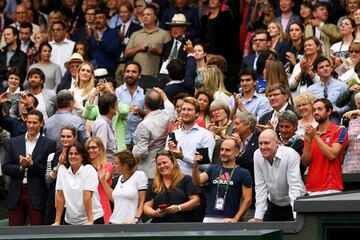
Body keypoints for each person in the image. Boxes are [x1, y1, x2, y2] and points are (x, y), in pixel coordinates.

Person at [2, 110, 56, 225]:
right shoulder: (14, 142)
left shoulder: (49, 144)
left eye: (35, 123)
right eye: (29, 122)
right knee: (14, 233)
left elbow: (49, 172)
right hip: (16, 192)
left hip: (37, 194)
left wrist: (32, 165)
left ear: (42, 123)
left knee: (38, 233)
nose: (31, 125)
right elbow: (5, 167)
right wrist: (21, 168)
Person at [249, 129, 306, 222]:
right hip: (274, 204)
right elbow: (260, 186)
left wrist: (296, 217)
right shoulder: (257, 154)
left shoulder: (290, 154)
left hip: (296, 203)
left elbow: (295, 187)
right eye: (260, 143)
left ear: (277, 143)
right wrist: (258, 217)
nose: (263, 147)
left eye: (267, 143)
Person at [192, 137, 252, 223]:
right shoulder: (212, 168)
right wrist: (195, 166)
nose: (223, 153)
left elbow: (248, 199)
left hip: (229, 218)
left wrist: (236, 218)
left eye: (227, 150)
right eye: (222, 149)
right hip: (209, 216)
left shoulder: (243, 173)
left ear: (237, 153)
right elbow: (197, 181)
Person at [301, 98, 348, 195]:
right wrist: (309, 142)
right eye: (314, 110)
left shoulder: (339, 130)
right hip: (310, 188)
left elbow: (332, 155)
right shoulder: (310, 133)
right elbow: (305, 163)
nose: (316, 112)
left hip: (330, 188)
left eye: (319, 109)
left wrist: (315, 136)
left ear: (329, 111)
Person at [53, 142, 104, 225]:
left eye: (76, 154)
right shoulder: (62, 169)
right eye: (70, 154)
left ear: (82, 157)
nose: (73, 156)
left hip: (92, 218)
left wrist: (90, 220)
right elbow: (60, 196)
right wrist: (57, 221)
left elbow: (87, 196)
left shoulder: (89, 169)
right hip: (70, 221)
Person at [132, 88, 177, 179]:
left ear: (145, 104)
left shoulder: (144, 125)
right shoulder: (167, 115)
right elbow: (170, 107)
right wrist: (163, 94)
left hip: (148, 170)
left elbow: (141, 152)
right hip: (165, 165)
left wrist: (133, 152)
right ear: (160, 103)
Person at [144, 150, 200, 222]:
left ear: (173, 162)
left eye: (164, 162)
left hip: (182, 226)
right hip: (159, 227)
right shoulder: (155, 184)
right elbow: (146, 206)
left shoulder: (186, 179)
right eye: (159, 164)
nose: (162, 166)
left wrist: (178, 208)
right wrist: (155, 213)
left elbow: (196, 201)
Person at [125, 5, 171, 85]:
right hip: (136, 75)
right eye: (143, 15)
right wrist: (139, 48)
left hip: (155, 75)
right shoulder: (135, 34)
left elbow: (170, 57)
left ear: (155, 17)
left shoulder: (164, 34)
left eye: (148, 14)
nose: (145, 17)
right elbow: (126, 53)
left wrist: (157, 51)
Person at [99, 150, 147, 224]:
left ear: (125, 165)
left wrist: (136, 219)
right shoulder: (120, 178)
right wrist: (103, 181)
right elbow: (114, 199)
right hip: (113, 223)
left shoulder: (140, 175)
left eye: (116, 163)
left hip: (130, 225)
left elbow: (142, 202)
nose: (114, 165)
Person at [44, 126, 76, 225]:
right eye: (63, 136)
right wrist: (58, 166)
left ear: (74, 138)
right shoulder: (52, 156)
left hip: (74, 200)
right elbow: (48, 181)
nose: (65, 139)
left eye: (69, 136)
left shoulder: (81, 156)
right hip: (55, 199)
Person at [306, 56, 349, 123]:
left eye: (327, 66)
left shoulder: (342, 86)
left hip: (337, 122)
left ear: (331, 68)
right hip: (317, 124)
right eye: (321, 67)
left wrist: (337, 111)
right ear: (316, 72)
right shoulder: (310, 90)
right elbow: (308, 109)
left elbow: (349, 106)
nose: (325, 68)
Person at [114, 61, 145, 150]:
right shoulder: (117, 92)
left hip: (139, 141)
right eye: (127, 71)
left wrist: (140, 112)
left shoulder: (144, 93)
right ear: (124, 74)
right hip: (121, 140)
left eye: (134, 72)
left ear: (139, 75)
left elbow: (149, 115)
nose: (130, 74)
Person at [85, 137, 114, 224]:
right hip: (88, 202)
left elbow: (101, 179)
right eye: (88, 148)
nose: (90, 150)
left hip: (103, 203)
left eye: (93, 147)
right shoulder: (84, 167)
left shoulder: (109, 166)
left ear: (100, 149)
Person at [114, 2, 142, 85]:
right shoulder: (116, 29)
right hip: (117, 63)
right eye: (121, 12)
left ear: (131, 13)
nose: (122, 14)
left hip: (131, 62)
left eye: (125, 12)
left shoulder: (137, 28)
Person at [88, 8, 120, 78]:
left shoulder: (114, 32)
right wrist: (88, 38)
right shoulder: (92, 33)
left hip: (107, 71)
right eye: (96, 18)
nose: (97, 20)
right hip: (92, 71)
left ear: (106, 20)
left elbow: (113, 50)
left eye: (101, 18)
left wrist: (100, 41)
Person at [91, 93, 118, 163]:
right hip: (107, 166)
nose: (117, 108)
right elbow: (101, 150)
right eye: (116, 105)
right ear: (110, 108)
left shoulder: (107, 122)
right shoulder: (103, 124)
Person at [342, 92, 360, 173]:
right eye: (359, 103)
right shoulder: (350, 120)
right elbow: (340, 141)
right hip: (350, 166)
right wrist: (344, 126)